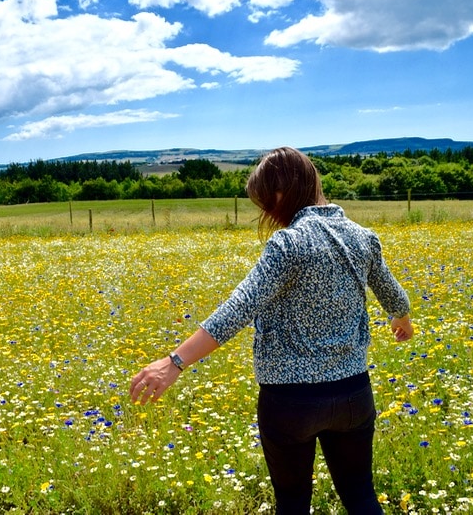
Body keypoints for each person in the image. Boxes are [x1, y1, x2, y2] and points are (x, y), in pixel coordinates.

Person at [130, 146, 413, 514]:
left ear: (283, 191)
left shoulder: (289, 243)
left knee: (293, 503)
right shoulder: (363, 238)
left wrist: (174, 362)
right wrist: (400, 318)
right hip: (353, 395)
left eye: (266, 201)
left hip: (291, 402)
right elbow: (394, 294)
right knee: (360, 495)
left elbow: (238, 308)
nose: (267, 212)